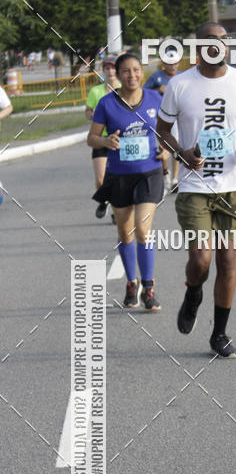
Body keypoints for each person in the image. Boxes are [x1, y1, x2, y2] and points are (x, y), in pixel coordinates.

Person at [156, 22, 236, 358]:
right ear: (198, 47)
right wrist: (181, 153)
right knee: (201, 261)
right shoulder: (180, 85)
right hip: (194, 187)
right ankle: (193, 292)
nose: (217, 46)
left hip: (233, 187)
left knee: (228, 261)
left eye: (223, 41)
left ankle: (219, 333)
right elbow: (162, 130)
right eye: (209, 41)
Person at [88, 52, 166, 311]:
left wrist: (166, 150)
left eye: (136, 70)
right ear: (118, 75)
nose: (132, 75)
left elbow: (169, 132)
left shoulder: (156, 98)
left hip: (149, 173)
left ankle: (149, 287)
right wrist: (106, 141)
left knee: (143, 230)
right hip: (119, 175)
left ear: (141, 72)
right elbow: (92, 138)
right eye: (126, 71)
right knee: (125, 232)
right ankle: (131, 283)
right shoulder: (107, 104)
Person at [85, 55, 121, 220]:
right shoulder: (96, 91)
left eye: (113, 68)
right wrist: (93, 116)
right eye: (107, 68)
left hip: (119, 140)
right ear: (103, 70)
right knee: (100, 181)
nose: (110, 71)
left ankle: (115, 212)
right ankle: (104, 199)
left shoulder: (124, 88)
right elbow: (87, 111)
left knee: (117, 177)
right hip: (100, 139)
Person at [144, 54, 181, 193]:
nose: (172, 66)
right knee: (163, 147)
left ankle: (175, 179)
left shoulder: (182, 77)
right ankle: (165, 173)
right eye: (169, 63)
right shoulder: (156, 77)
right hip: (159, 117)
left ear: (178, 63)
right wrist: (158, 90)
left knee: (175, 146)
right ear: (164, 64)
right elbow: (143, 92)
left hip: (177, 116)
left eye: (174, 63)